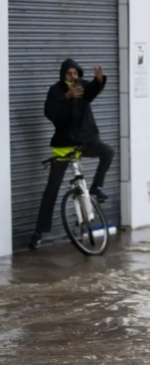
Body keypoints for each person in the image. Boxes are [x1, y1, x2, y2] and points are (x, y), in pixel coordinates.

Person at [29, 59, 112, 249]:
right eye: (70, 73)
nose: (73, 76)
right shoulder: (56, 90)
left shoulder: (82, 87)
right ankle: (39, 232)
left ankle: (96, 188)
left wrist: (99, 81)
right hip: (64, 145)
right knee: (52, 189)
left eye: (76, 73)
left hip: (84, 141)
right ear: (63, 74)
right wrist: (66, 96)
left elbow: (90, 93)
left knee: (107, 152)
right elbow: (51, 114)